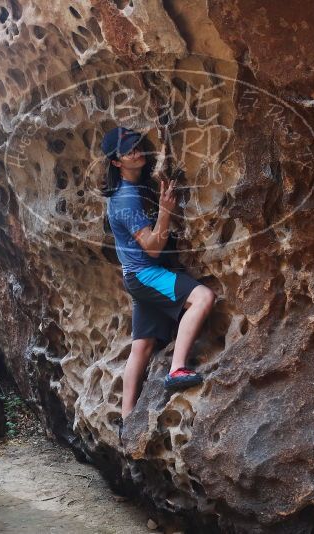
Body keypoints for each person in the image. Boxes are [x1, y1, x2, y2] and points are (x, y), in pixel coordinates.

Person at [101, 126, 216, 421]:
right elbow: (152, 248)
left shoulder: (134, 189)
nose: (136, 152)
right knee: (203, 298)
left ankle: (127, 420)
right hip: (146, 273)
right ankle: (177, 369)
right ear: (116, 162)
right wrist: (165, 211)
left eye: (137, 145)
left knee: (142, 346)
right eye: (127, 151)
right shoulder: (126, 198)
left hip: (137, 275)